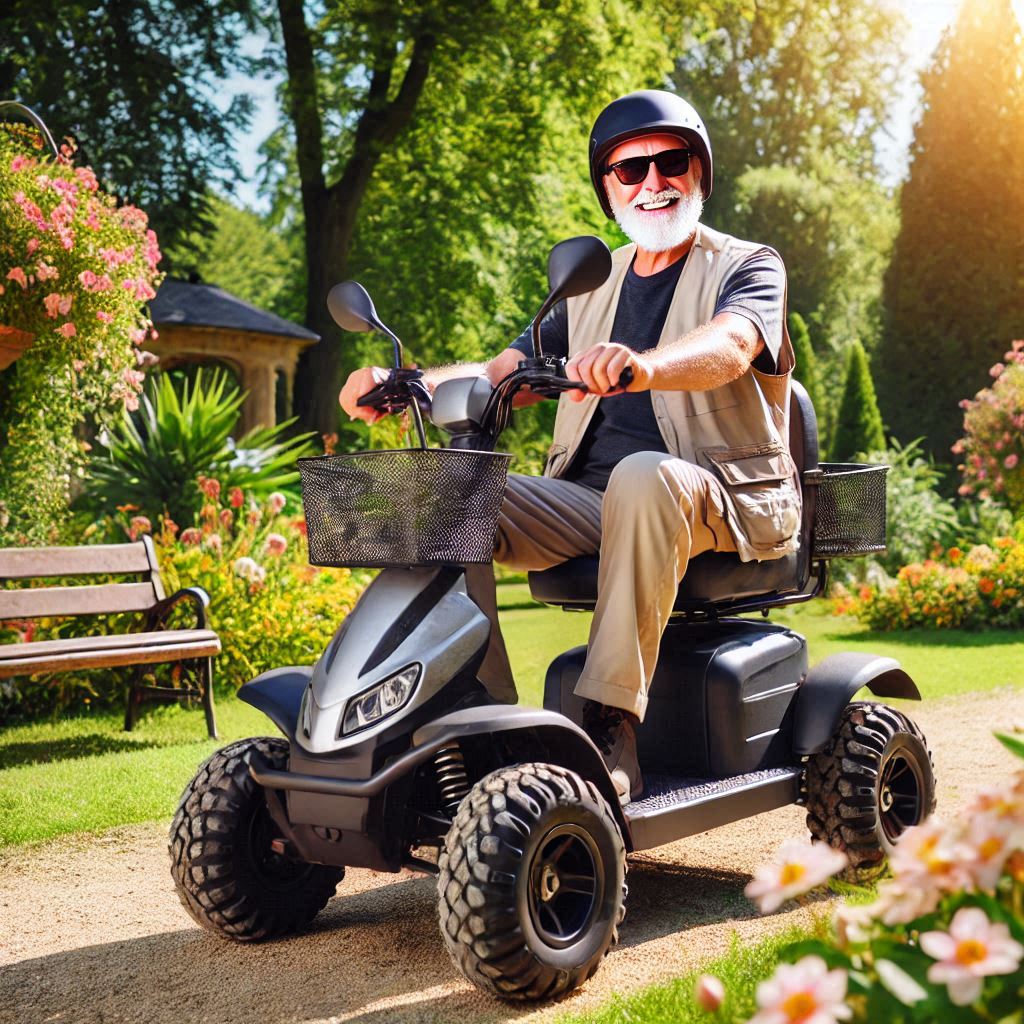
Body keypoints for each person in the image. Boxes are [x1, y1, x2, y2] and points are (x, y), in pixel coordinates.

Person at [339, 90, 800, 804]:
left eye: (670, 162)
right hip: (595, 500)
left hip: (723, 497)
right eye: (630, 170)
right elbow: (502, 373)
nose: (652, 183)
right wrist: (407, 383)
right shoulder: (591, 286)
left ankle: (610, 724)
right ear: (609, 189)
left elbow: (734, 344)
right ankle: (482, 723)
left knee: (647, 476)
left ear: (699, 171)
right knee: (452, 487)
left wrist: (644, 366)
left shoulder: (747, 265)